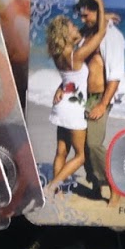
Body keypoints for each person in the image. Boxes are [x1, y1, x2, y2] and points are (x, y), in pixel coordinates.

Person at [74, 0, 125, 203]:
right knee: (82, 145)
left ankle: (114, 186)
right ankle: (95, 184)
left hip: (99, 98)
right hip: (81, 97)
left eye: (86, 15)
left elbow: (115, 75)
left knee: (94, 144)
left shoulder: (112, 36)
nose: (82, 19)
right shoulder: (87, 33)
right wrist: (103, 17)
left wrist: (103, 104)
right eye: (81, 15)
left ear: (97, 11)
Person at [44, 15, 88, 192]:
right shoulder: (76, 55)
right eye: (71, 26)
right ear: (64, 34)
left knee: (61, 152)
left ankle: (58, 194)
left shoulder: (59, 54)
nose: (75, 26)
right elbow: (99, 34)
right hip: (73, 110)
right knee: (81, 156)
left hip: (61, 106)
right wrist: (101, 11)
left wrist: (59, 88)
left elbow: (68, 80)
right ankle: (52, 187)